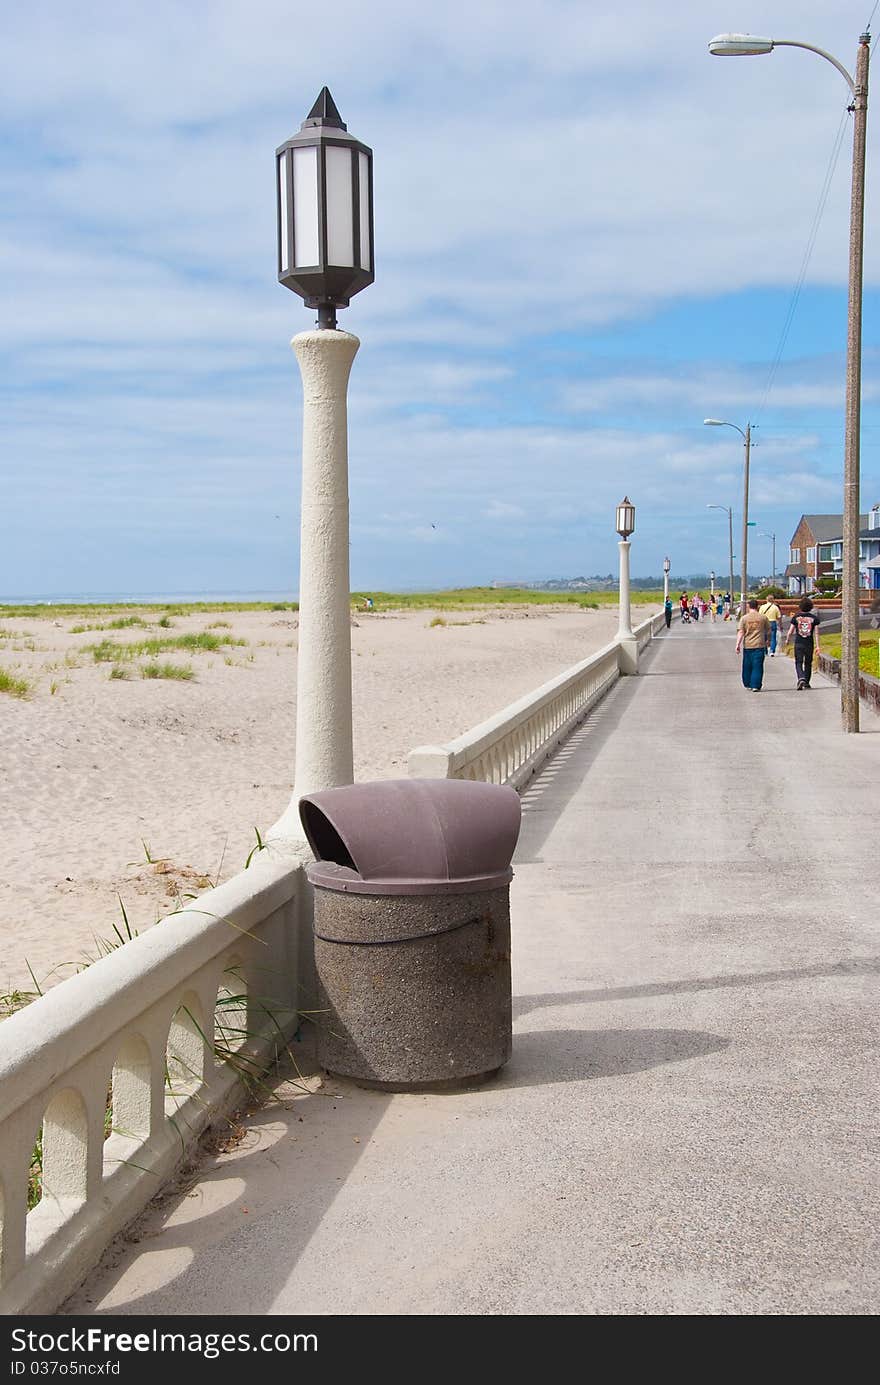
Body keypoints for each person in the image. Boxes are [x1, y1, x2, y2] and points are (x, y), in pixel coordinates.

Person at [735, 598, 771, 691]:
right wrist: (768, 640)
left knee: (747, 665)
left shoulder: (744, 618)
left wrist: (738, 644)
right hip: (759, 644)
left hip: (748, 645)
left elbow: (741, 632)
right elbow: (768, 630)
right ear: (757, 606)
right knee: (757, 666)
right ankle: (756, 684)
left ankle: (747, 683)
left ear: (748, 606)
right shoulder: (763, 617)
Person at [785, 596, 821, 690]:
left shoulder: (796, 617)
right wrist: (818, 646)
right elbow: (816, 633)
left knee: (799, 662)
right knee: (808, 663)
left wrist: (787, 640)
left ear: (800, 607)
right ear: (810, 607)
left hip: (798, 643)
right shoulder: (814, 618)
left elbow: (790, 631)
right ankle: (806, 682)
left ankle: (801, 677)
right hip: (809, 643)